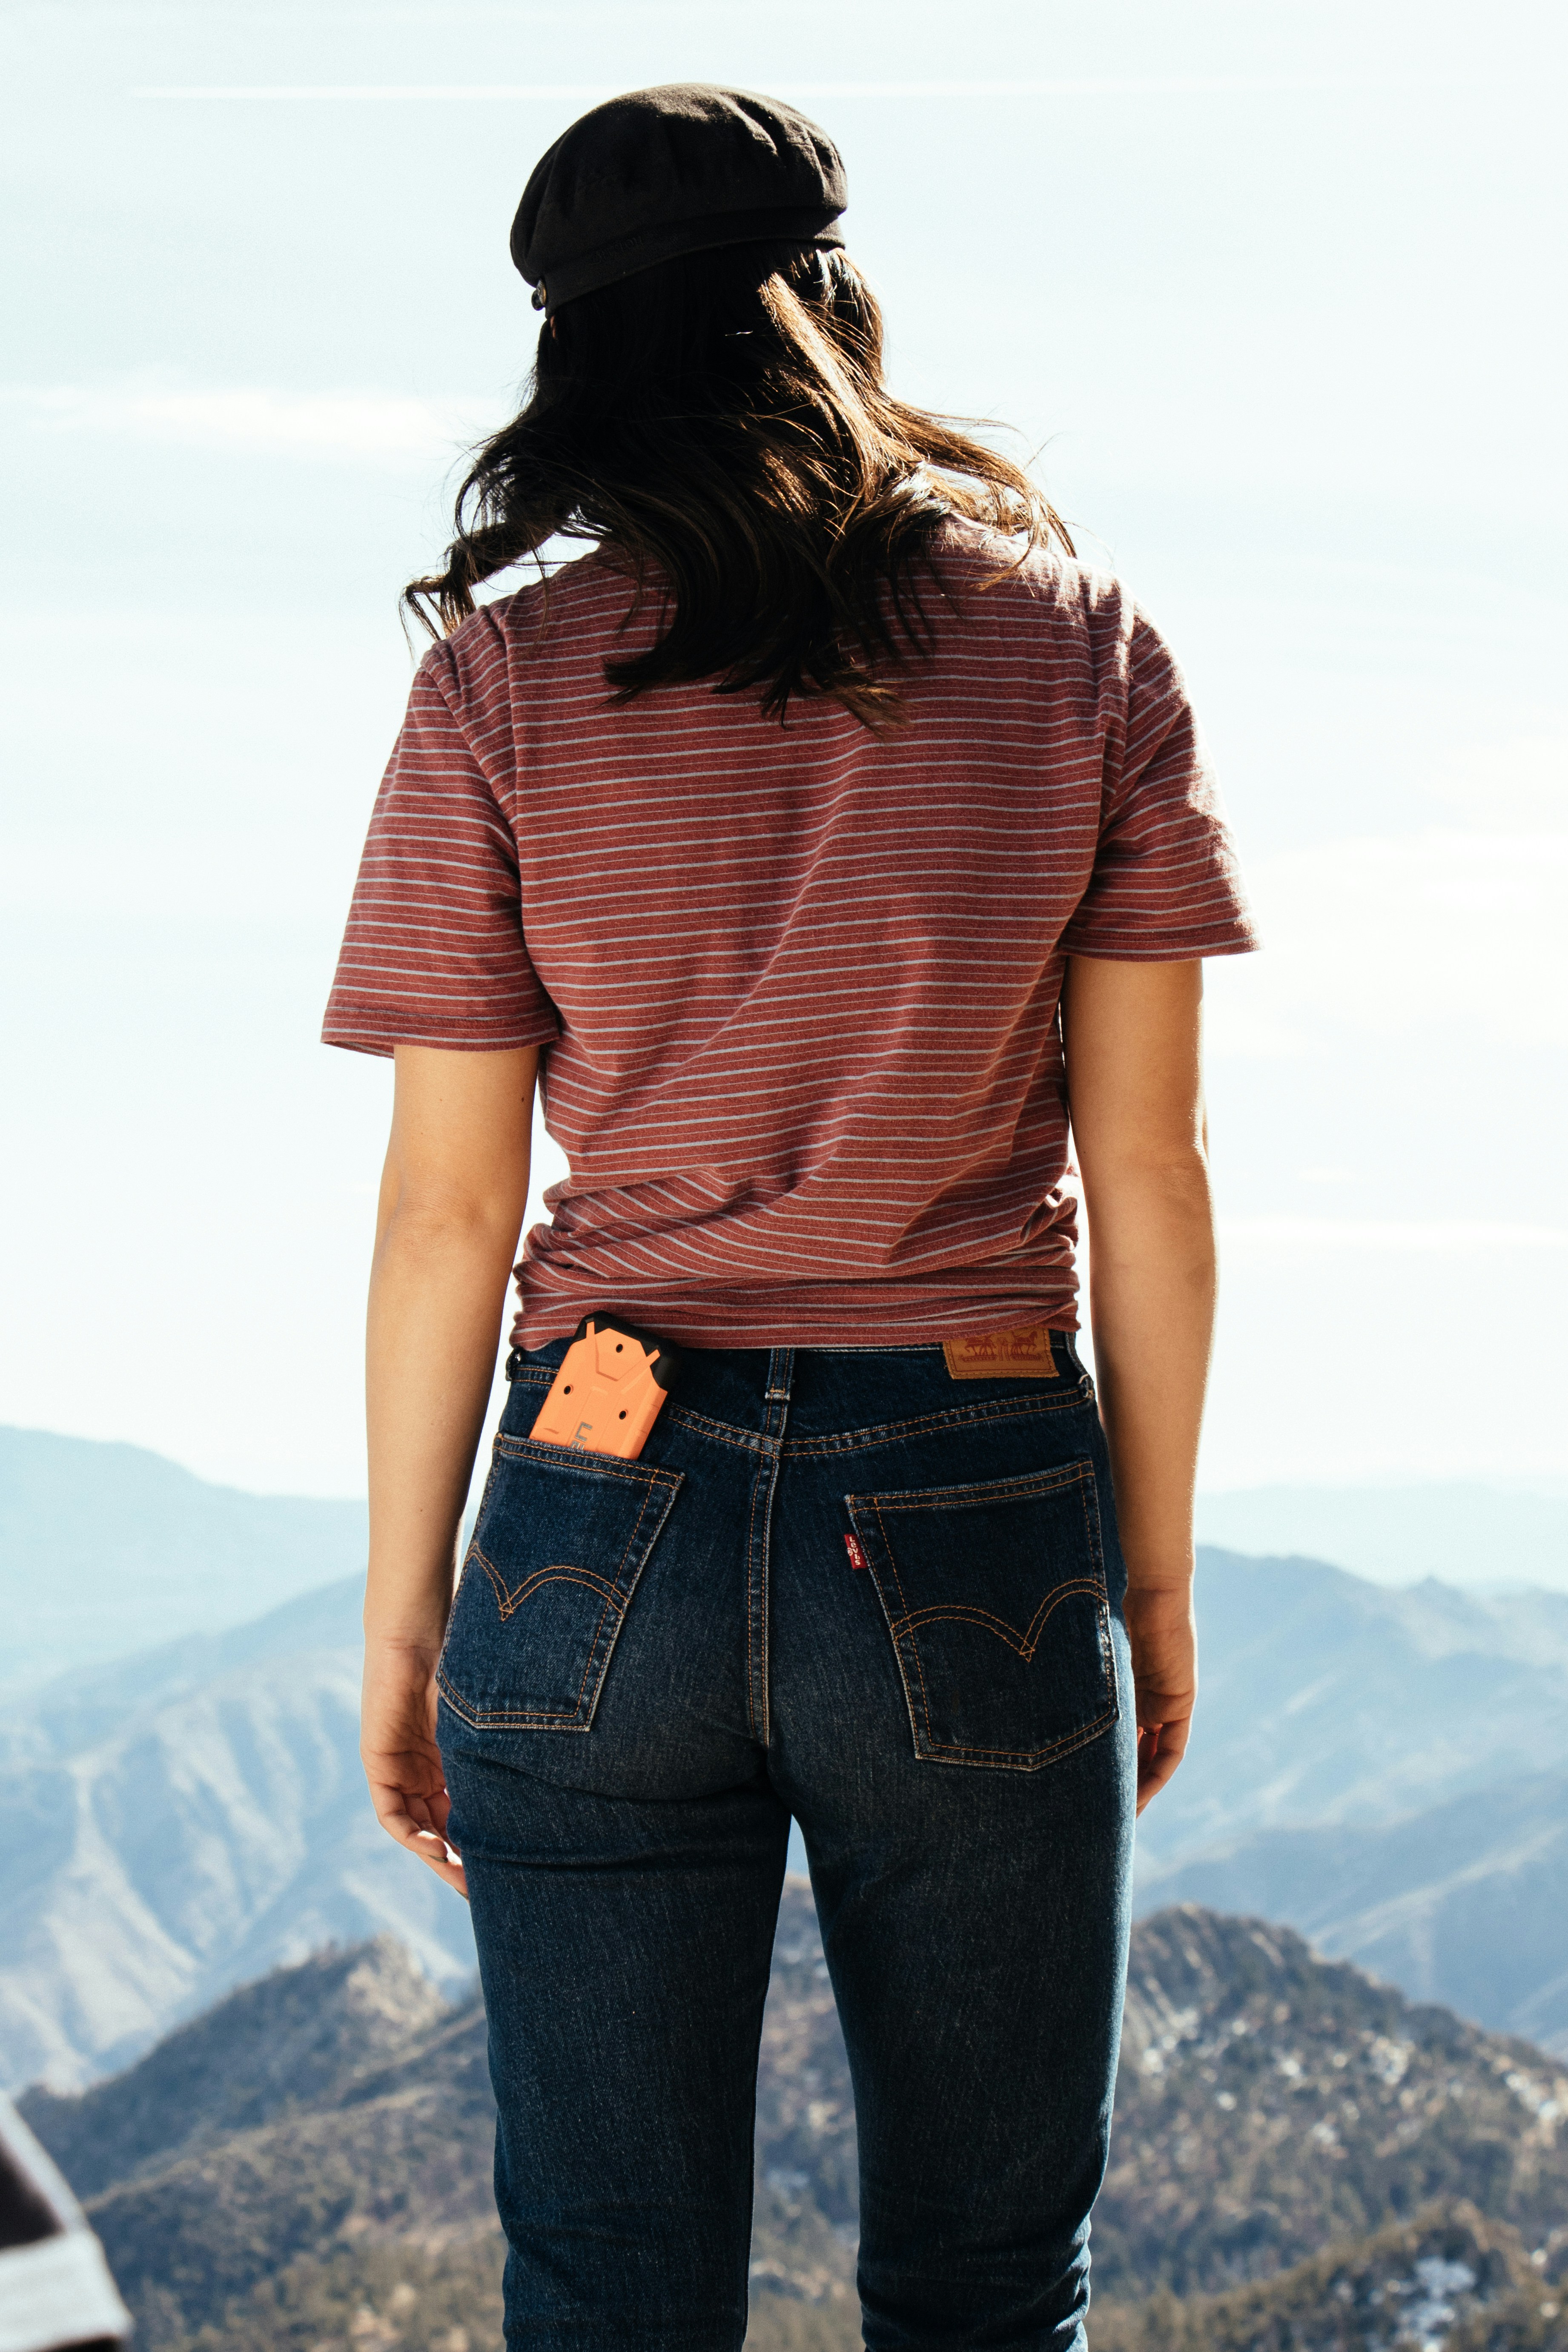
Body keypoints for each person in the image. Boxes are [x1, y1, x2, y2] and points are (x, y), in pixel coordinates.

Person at [324, 82, 1257, 2352]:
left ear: (575, 362)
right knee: (983, 2279)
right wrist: (1144, 1577)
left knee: (609, 2284)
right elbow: (1145, 1169)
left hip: (596, 1502)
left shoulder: (495, 688)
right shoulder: (1082, 651)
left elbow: (449, 1209)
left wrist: (409, 1615)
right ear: (832, 308)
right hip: (975, 1489)